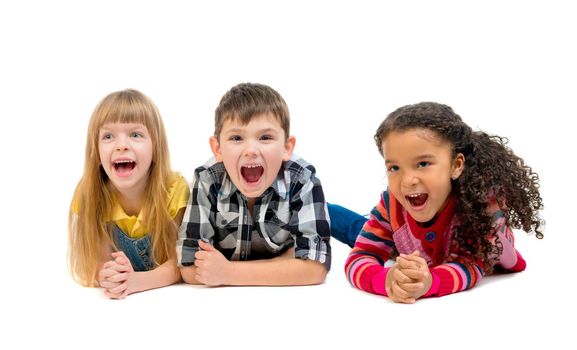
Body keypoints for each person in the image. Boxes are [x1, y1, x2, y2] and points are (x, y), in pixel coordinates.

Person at [337, 102, 543, 303]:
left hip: (431, 249)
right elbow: (359, 257)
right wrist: (388, 280)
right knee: (353, 228)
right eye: (394, 168)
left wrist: (428, 283)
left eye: (423, 164)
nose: (408, 180)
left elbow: (470, 266)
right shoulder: (392, 204)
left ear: (456, 165)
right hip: (404, 245)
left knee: (359, 229)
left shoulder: (478, 207)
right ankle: (321, 211)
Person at [177, 82, 331, 286]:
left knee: (342, 221)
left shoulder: (302, 179)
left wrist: (228, 272)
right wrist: (286, 260)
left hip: (305, 207)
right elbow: (190, 267)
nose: (251, 150)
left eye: (265, 137)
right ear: (218, 148)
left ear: (287, 147)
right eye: (237, 138)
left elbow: (314, 268)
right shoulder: (207, 179)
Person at [68, 89, 190, 299]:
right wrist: (106, 275)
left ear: (155, 147)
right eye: (108, 136)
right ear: (96, 152)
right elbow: (95, 261)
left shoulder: (173, 189)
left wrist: (136, 282)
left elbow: (179, 264)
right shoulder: (90, 193)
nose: (121, 145)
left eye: (135, 134)